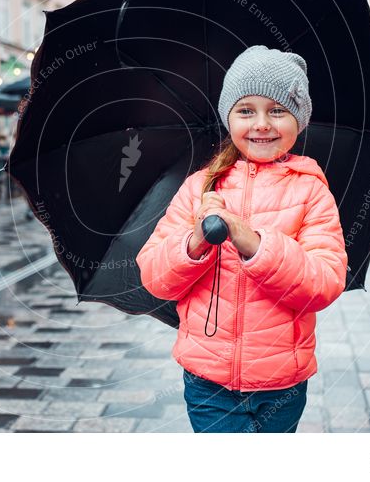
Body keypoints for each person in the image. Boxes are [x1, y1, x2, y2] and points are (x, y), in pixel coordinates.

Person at [136, 45, 348, 433]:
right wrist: (195, 241)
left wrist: (253, 243)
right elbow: (154, 277)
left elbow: (325, 282)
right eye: (246, 110)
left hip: (281, 382)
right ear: (228, 117)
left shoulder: (312, 191)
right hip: (208, 380)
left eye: (278, 110)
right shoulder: (199, 188)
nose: (262, 123)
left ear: (298, 121)